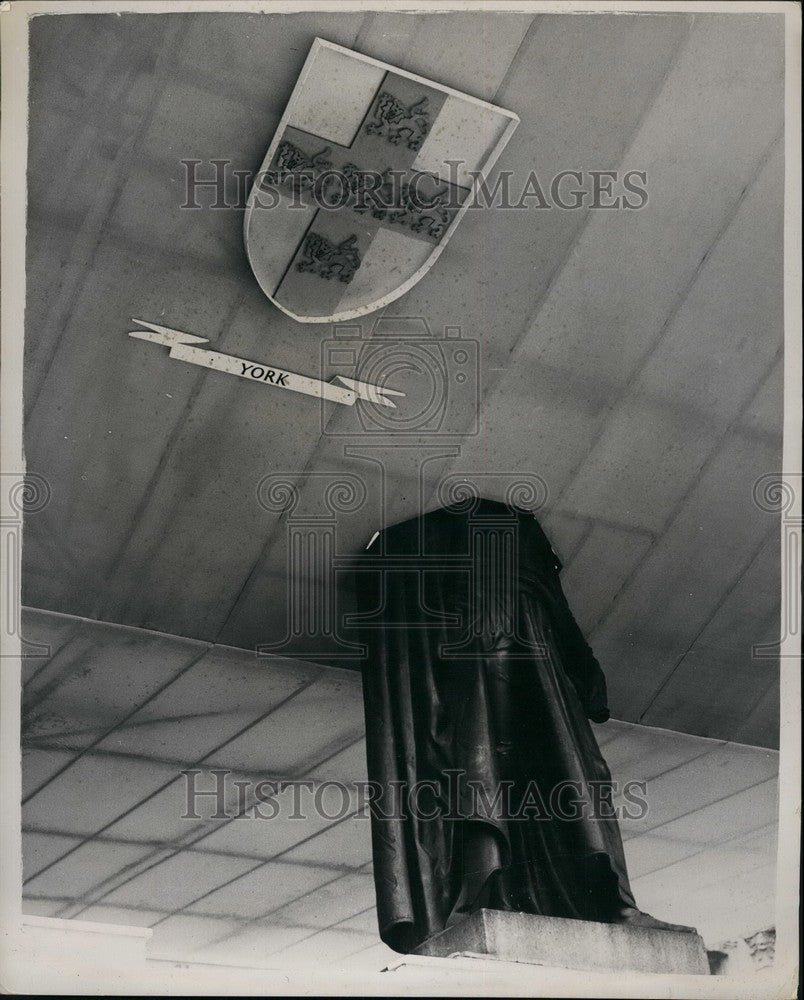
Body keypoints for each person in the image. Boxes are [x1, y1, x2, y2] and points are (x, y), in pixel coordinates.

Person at [354, 497, 693, 953]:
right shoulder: (452, 549)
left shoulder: (526, 547)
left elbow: (556, 607)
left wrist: (582, 664)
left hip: (528, 638)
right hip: (478, 634)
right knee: (486, 766)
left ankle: (609, 900)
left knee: (578, 772)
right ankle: (490, 893)